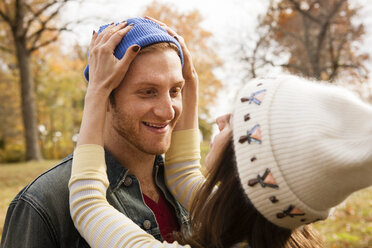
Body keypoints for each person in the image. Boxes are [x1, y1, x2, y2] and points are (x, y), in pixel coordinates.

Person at [68, 17, 372, 248]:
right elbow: (183, 173)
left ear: (247, 167)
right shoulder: (266, 224)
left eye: (240, 121)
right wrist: (188, 80)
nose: (222, 118)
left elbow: (87, 203)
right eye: (150, 91)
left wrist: (97, 91)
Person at [1, 17, 196, 247]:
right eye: (148, 92)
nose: (167, 111)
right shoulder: (44, 203)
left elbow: (89, 205)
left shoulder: (189, 194)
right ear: (106, 96)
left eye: (175, 90)